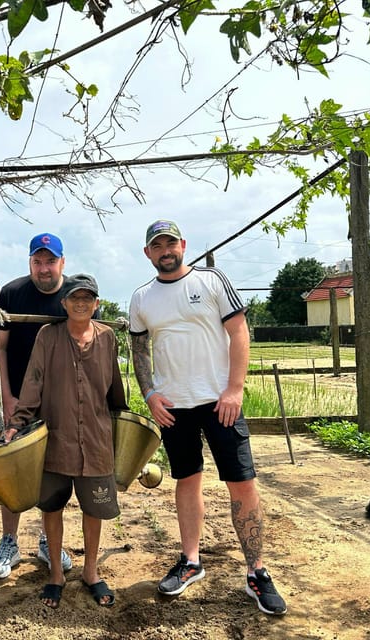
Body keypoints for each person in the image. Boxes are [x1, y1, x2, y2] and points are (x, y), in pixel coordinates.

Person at [129, 220, 288, 616]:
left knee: (243, 484)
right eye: (156, 245)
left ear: (183, 245)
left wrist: (234, 389)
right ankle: (190, 561)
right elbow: (139, 349)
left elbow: (239, 332)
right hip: (174, 407)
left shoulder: (213, 280)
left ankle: (257, 571)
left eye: (170, 243)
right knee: (187, 480)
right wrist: (150, 394)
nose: (165, 250)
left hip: (220, 403)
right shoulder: (141, 298)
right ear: (148, 253)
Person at [7, 274, 127, 608]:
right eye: (75, 298)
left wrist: (125, 424)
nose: (81, 303)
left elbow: (115, 386)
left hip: (96, 438)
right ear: (64, 303)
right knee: (52, 506)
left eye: (88, 298)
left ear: (96, 304)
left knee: (95, 508)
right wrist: (18, 422)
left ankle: (91, 570)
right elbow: (33, 381)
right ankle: (56, 573)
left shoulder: (107, 338)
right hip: (56, 437)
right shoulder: (49, 336)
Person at [0, 232, 76, 579]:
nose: (44, 268)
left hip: (58, 400)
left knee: (53, 470)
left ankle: (46, 539)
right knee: (13, 468)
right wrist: (8, 397)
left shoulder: (73, 297)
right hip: (20, 400)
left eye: (50, 261)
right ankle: (8, 540)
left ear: (62, 263)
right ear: (30, 263)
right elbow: (0, 349)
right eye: (37, 261)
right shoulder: (11, 294)